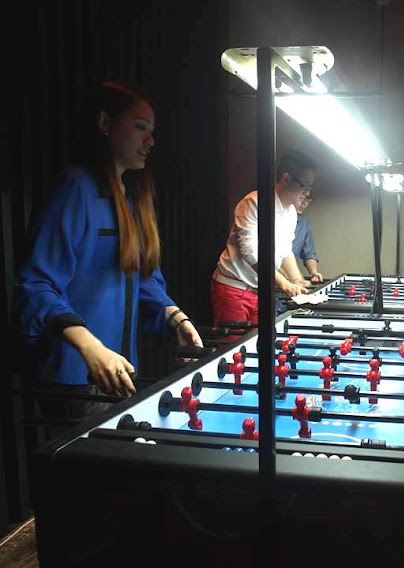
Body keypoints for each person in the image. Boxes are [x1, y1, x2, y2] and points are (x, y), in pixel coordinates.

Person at [14, 80, 202, 417]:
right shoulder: (74, 189)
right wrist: (90, 347)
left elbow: (142, 279)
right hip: (73, 377)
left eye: (152, 131)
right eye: (140, 127)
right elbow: (36, 285)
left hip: (119, 371)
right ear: (104, 123)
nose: (150, 140)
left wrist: (175, 318)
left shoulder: (131, 198)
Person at [211, 150, 312, 327]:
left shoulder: (291, 212)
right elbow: (250, 252)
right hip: (234, 287)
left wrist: (296, 279)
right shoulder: (254, 202)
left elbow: (285, 250)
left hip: (261, 290)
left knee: (260, 341)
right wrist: (283, 283)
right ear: (286, 179)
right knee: (234, 343)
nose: (307, 193)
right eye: (304, 185)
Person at [275, 187, 322, 315]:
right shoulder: (273, 215)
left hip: (288, 284)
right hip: (270, 281)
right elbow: (258, 254)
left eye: (308, 198)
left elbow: (308, 252)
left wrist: (313, 272)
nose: (304, 202)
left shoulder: (303, 223)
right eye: (303, 196)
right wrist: (286, 279)